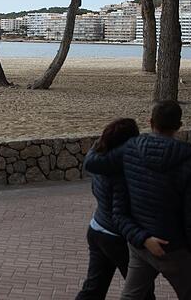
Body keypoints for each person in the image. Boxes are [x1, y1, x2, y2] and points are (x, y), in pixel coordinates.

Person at [84, 100, 191, 300]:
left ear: (150, 122)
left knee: (128, 295)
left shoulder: (131, 149)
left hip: (139, 244)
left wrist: (102, 140)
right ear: (179, 126)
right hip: (176, 248)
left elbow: (93, 163)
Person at [76, 119, 155, 300]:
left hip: (97, 228)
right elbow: (120, 213)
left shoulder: (99, 160)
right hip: (117, 238)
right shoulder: (121, 171)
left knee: (93, 290)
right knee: (142, 293)